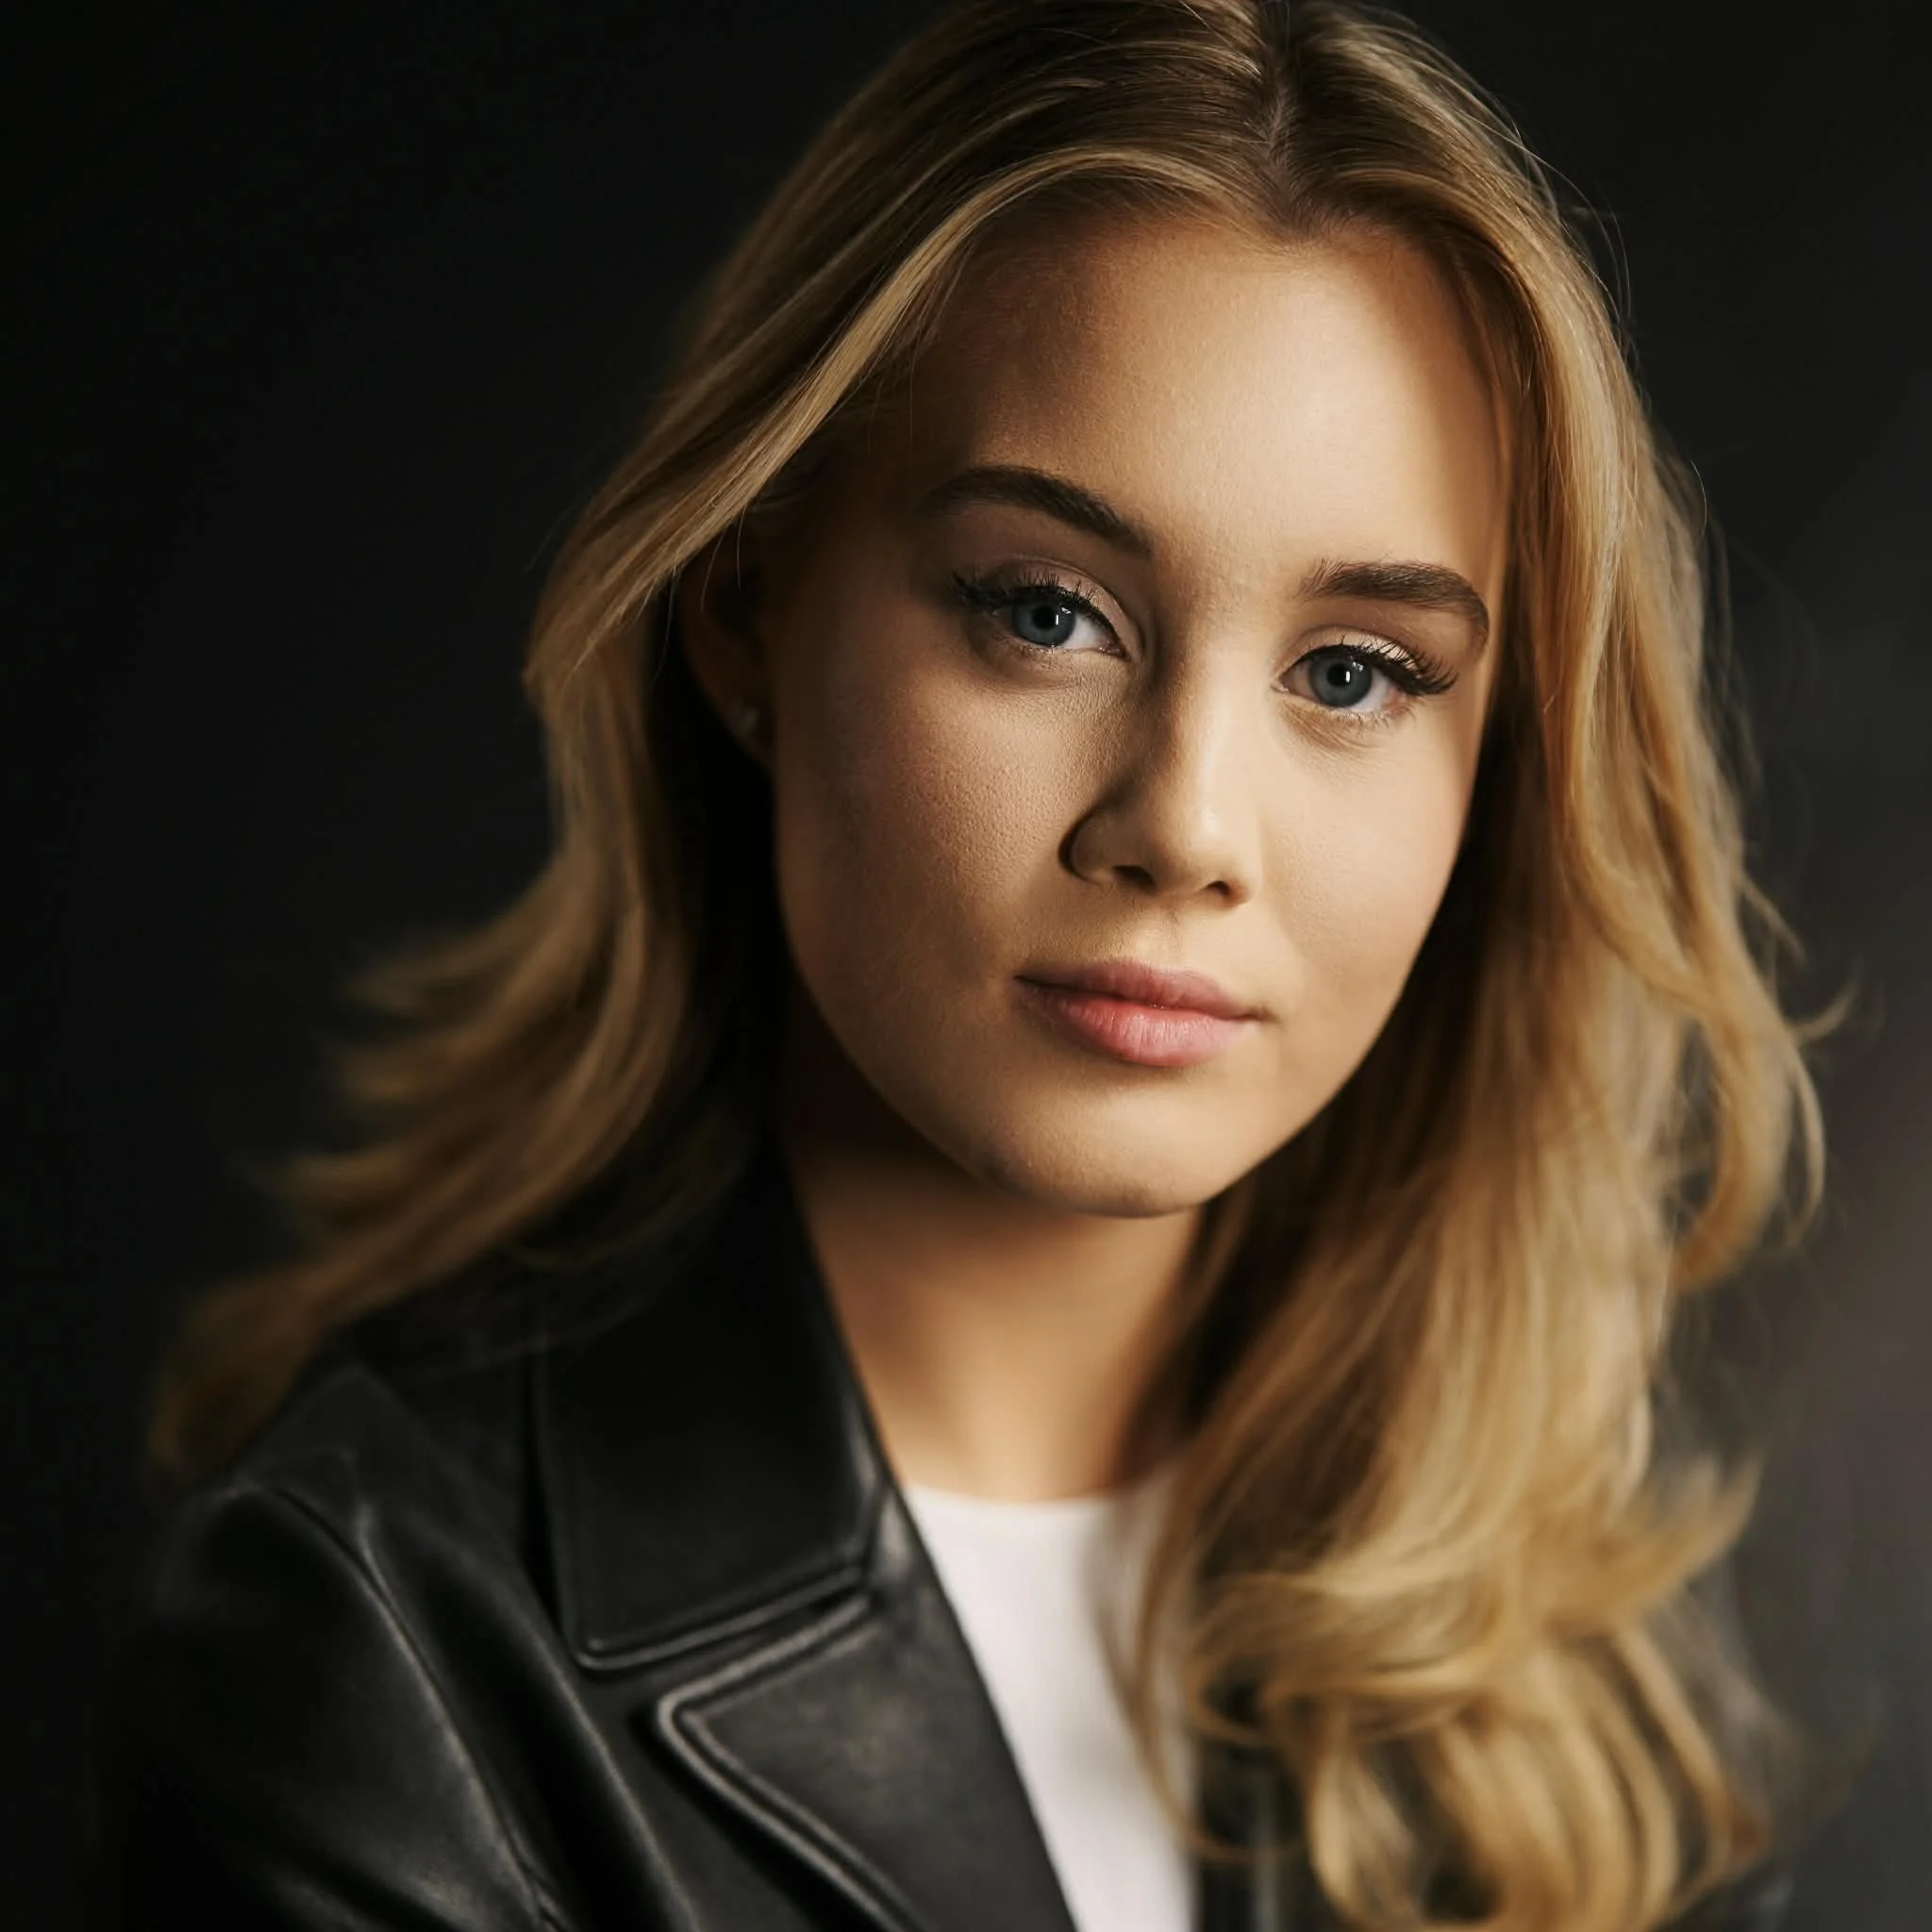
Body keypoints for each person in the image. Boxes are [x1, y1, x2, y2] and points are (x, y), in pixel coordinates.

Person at [84, 1, 1837, 1927]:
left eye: (1352, 673)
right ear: (748, 605)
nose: (1185, 823)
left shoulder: (1558, 1658)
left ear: (1496, 762)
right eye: (1045, 612)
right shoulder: (374, 1649)